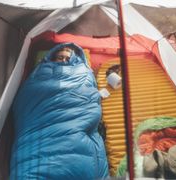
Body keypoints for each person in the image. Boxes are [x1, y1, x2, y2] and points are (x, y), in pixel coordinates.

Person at [10, 43, 109, 180]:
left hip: (75, 126)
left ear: (76, 60)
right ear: (51, 59)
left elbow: (89, 96)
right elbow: (25, 98)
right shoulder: (39, 74)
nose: (63, 60)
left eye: (67, 58)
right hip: (39, 124)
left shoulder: (83, 73)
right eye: (60, 57)